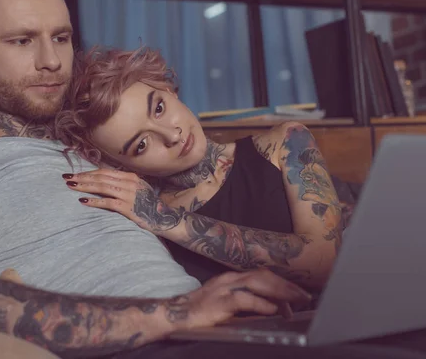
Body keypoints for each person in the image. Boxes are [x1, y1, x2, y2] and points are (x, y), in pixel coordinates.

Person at [0, 0, 317, 357]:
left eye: (60, 38)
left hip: (226, 330)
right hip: (145, 344)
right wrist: (181, 312)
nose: (50, 61)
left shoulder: (109, 148)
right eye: (22, 41)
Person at [55, 47, 346, 292]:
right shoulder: (142, 222)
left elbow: (323, 264)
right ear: (122, 166)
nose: (172, 135)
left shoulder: (286, 140)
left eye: (158, 108)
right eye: (141, 144)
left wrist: (166, 219)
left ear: (168, 91)